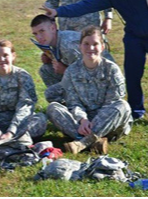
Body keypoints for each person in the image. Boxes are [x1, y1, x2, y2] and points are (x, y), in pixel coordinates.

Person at [42, 0, 148, 120]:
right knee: (133, 74)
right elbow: (86, 6)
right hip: (134, 37)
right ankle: (136, 112)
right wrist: (58, 12)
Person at [47, 26, 133, 155]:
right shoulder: (72, 71)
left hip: (108, 123)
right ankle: (95, 142)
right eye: (86, 44)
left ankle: (83, 143)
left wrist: (93, 124)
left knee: (123, 106)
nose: (91, 48)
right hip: (83, 124)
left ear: (102, 47)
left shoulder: (111, 69)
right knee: (53, 108)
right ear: (80, 46)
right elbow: (73, 102)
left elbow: (111, 103)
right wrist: (83, 120)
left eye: (95, 44)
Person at [30, 14, 114, 103]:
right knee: (46, 70)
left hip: (103, 80)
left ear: (53, 28)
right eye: (35, 34)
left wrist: (65, 70)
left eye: (42, 31)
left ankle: (80, 106)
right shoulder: (55, 41)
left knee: (51, 93)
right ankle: (70, 104)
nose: (39, 37)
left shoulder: (69, 45)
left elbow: (89, 72)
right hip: (85, 76)